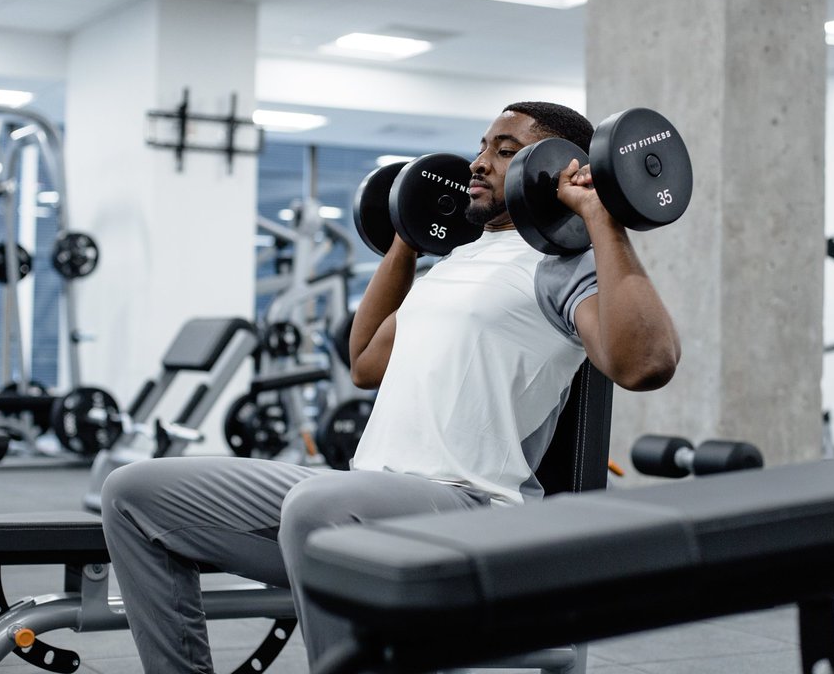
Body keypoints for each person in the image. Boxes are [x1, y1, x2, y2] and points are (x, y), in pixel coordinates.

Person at [101, 101, 680, 674]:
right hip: (366, 495)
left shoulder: (562, 263)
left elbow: (645, 363)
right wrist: (409, 233)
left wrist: (600, 217)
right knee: (133, 494)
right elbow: (364, 362)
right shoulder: (457, 260)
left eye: (504, 152)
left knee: (317, 506)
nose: (478, 162)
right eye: (482, 146)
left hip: (469, 507)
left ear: (555, 167)